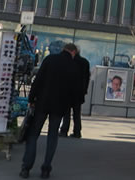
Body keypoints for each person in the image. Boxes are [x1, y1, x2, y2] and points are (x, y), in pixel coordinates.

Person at [20, 43, 80, 179]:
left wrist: (31, 97)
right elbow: (74, 91)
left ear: (64, 49)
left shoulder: (50, 60)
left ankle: (26, 168)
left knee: (33, 135)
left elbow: (38, 80)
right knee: (52, 137)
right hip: (59, 107)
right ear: (73, 52)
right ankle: (46, 169)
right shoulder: (74, 66)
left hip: (43, 102)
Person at [59, 48, 90, 138]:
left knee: (66, 112)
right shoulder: (84, 62)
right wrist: (84, 90)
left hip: (68, 91)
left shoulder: (69, 62)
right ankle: (77, 131)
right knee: (77, 113)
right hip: (79, 92)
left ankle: (64, 130)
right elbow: (87, 78)